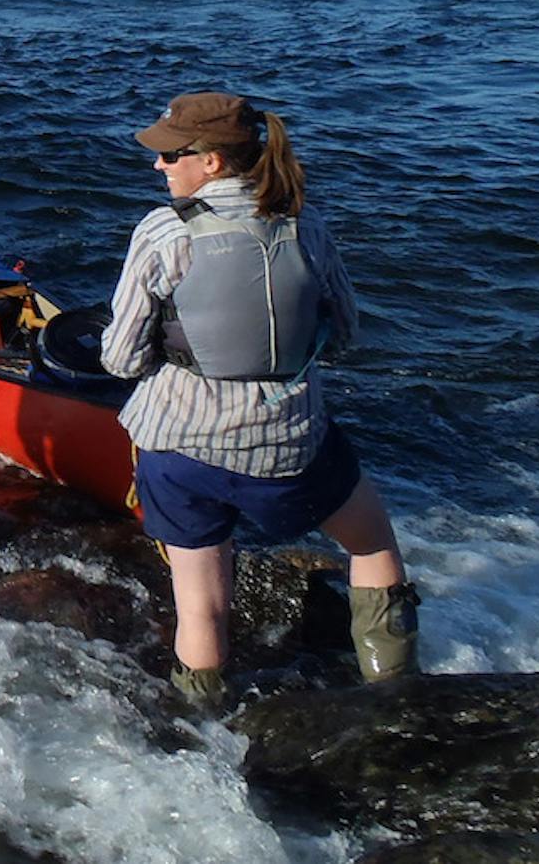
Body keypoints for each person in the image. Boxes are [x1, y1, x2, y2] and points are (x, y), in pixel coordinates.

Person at [100, 91, 418, 705]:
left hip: (177, 451)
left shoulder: (164, 232)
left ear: (212, 162)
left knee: (200, 610)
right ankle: (396, 697)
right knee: (372, 543)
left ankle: (203, 721)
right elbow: (346, 330)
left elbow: (121, 359)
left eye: (171, 156)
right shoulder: (307, 226)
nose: (159, 167)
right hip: (290, 448)